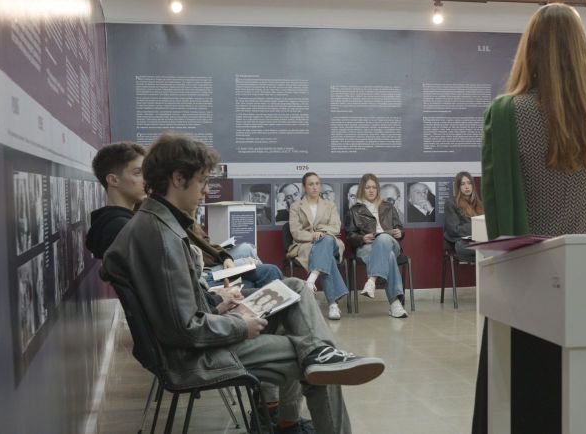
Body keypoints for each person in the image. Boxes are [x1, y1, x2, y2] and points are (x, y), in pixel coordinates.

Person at [102, 133, 385, 434]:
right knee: (314, 362)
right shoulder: (161, 237)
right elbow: (184, 329)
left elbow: (178, 307)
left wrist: (218, 303)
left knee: (292, 287)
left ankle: (309, 373)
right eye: (202, 181)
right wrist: (239, 324)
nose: (206, 190)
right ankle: (317, 361)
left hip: (199, 337)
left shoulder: (156, 223)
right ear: (177, 178)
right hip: (195, 356)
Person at [475, 3, 586, 433]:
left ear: (531, 48)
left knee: (525, 380)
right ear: (581, 49)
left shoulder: (507, 112)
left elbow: (498, 201)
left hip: (531, 267)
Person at [287, 173, 349, 320]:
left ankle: (311, 280)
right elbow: (296, 232)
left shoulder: (330, 205)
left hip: (331, 243)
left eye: (317, 183)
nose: (315, 187)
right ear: (304, 187)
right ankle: (333, 305)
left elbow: (335, 227)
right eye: (311, 184)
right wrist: (312, 236)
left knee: (326, 241)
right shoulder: (296, 207)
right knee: (326, 258)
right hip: (307, 245)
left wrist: (321, 232)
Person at [346, 173, 408, 318]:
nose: (371, 190)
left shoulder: (388, 207)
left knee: (384, 238)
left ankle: (372, 280)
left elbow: (399, 228)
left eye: (374, 187)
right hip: (367, 247)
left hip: (390, 243)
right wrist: (362, 238)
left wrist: (400, 232)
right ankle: (395, 304)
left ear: (378, 189)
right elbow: (350, 236)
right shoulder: (354, 210)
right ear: (362, 189)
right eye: (367, 187)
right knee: (389, 256)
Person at [85, 141, 147, 259]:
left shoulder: (111, 224)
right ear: (113, 180)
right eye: (138, 173)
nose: (146, 180)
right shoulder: (121, 228)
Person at [443, 171, 483, 261]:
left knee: (494, 246)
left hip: (480, 241)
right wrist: (477, 226)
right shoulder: (451, 203)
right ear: (458, 187)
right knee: (487, 250)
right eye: (463, 184)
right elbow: (454, 229)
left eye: (469, 183)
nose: (467, 187)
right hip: (463, 243)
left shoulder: (480, 205)